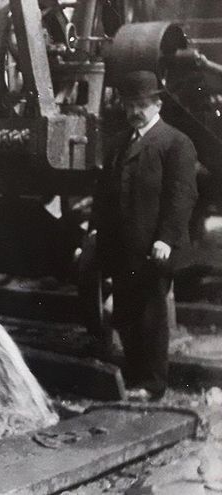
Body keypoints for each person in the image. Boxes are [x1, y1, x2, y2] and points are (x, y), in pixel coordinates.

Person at [94, 70, 198, 401]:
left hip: (154, 247)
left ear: (157, 105)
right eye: (130, 105)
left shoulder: (175, 143)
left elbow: (182, 195)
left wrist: (166, 238)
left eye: (142, 105)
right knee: (125, 312)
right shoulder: (119, 144)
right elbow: (104, 194)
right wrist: (94, 232)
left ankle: (153, 383)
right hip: (121, 246)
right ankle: (134, 375)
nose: (135, 111)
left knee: (150, 315)